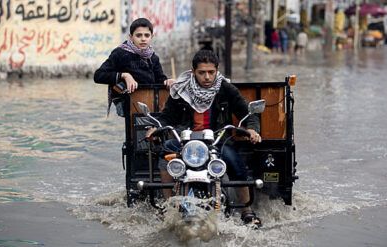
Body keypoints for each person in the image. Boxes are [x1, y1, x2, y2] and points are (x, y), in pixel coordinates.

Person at [146, 49, 262, 227]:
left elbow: (248, 113)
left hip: (218, 141)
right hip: (186, 141)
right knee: (166, 152)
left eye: (211, 72)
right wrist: (155, 129)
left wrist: (253, 130)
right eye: (202, 73)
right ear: (193, 71)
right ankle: (167, 207)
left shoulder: (225, 89)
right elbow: (167, 117)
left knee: (236, 163)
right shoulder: (182, 89)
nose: (207, 77)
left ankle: (246, 209)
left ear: (217, 70)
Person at [94, 18, 175, 115]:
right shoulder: (120, 54)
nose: (143, 39)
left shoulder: (153, 57)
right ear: (131, 37)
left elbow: (159, 79)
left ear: (151, 37)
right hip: (127, 103)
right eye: (138, 35)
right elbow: (98, 75)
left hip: (151, 102)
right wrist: (124, 75)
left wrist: (167, 81)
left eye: (147, 35)